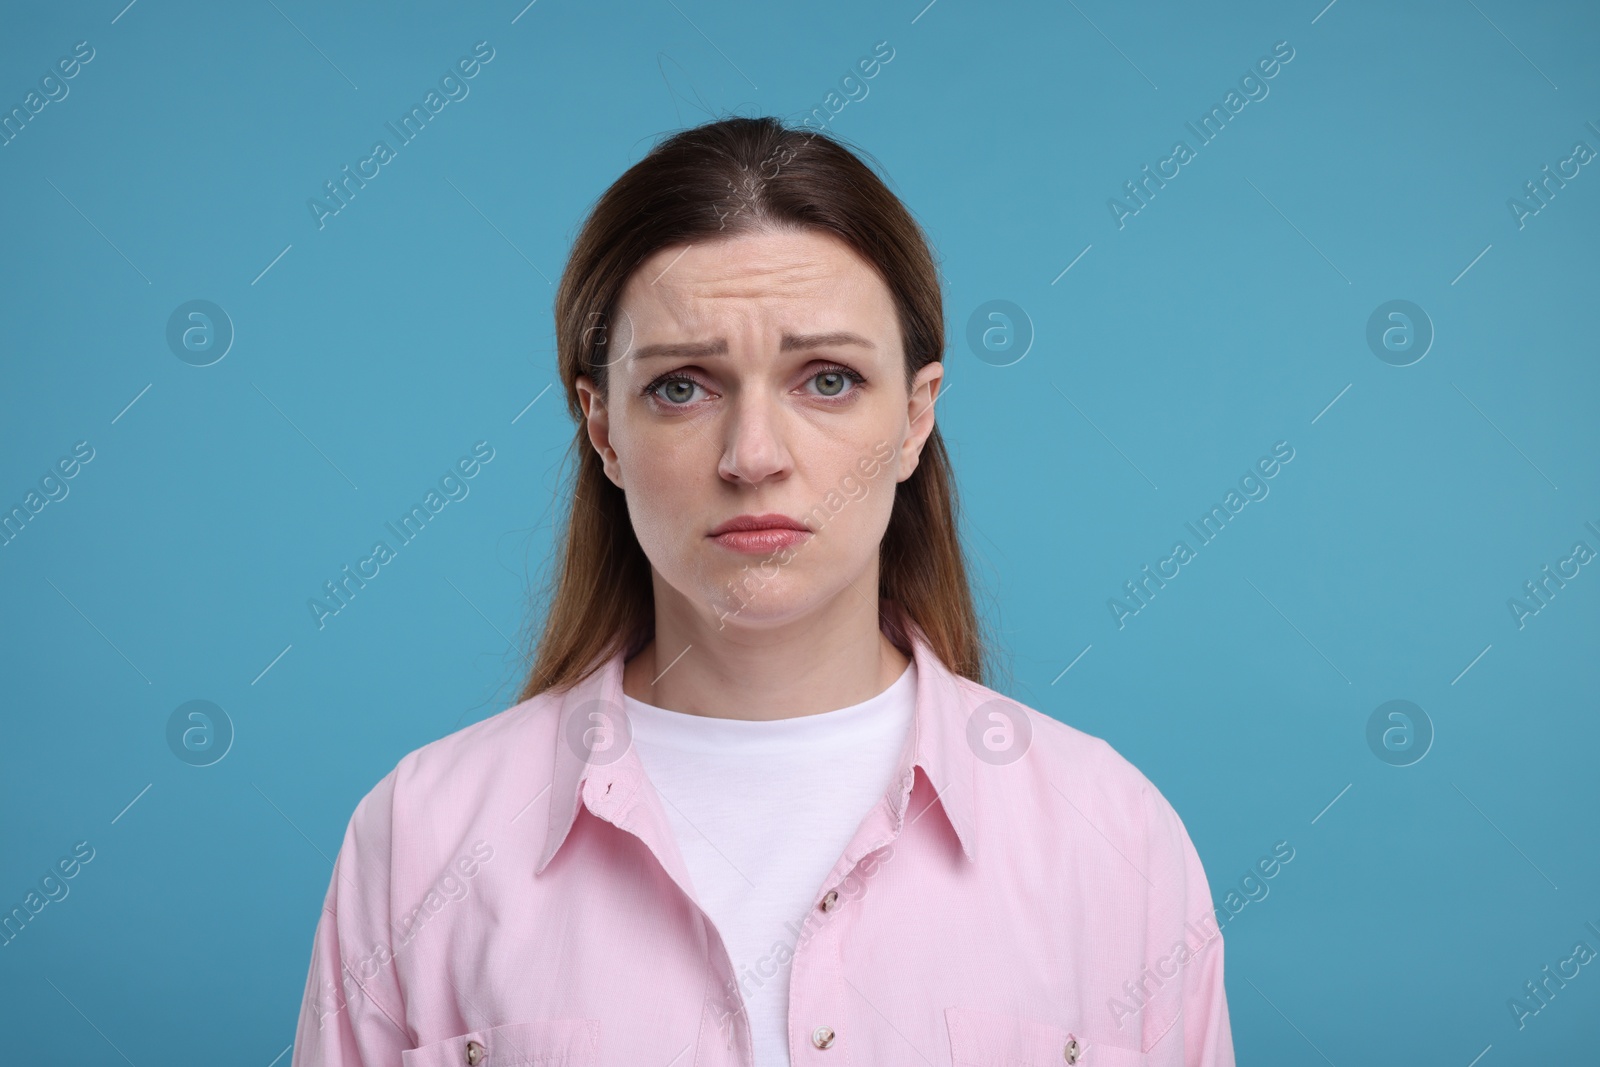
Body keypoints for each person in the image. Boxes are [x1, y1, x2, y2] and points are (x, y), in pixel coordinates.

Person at [291, 114, 1235, 1067]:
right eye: (680, 387)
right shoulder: (421, 839)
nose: (753, 457)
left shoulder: (1111, 836)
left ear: (915, 418)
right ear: (602, 428)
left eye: (826, 379)